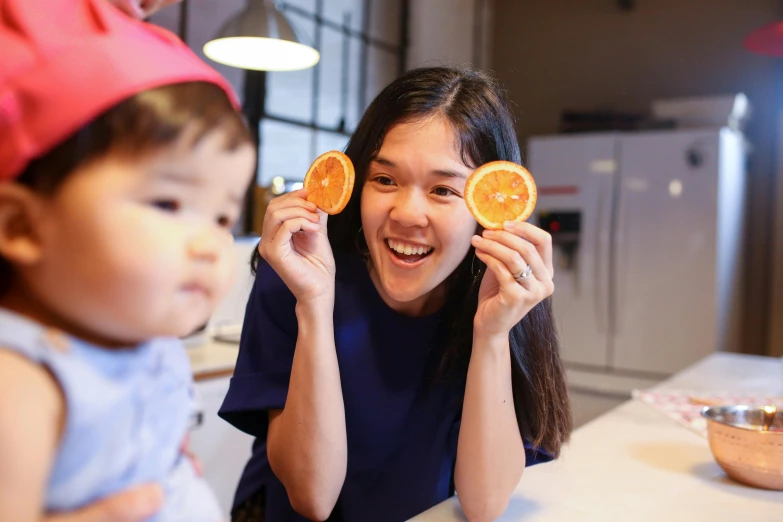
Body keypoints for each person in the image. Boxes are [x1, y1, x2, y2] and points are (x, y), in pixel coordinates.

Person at [219, 66, 573, 522]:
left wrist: (492, 334)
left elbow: (484, 505)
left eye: (443, 189)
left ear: (486, 209)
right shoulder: (297, 274)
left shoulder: (499, 292)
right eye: (385, 180)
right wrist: (313, 305)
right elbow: (312, 498)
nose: (407, 213)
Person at [0, 1, 255, 521]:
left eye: (223, 218)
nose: (211, 246)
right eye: (168, 204)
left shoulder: (143, 343)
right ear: (21, 226)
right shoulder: (23, 383)